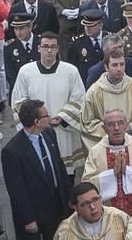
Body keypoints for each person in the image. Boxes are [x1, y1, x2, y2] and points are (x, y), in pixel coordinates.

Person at [1, 98, 71, 240]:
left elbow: (59, 167)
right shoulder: (12, 151)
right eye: (45, 115)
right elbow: (16, 190)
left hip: (54, 205)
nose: (49, 118)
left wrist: (68, 199)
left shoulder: (49, 135)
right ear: (35, 121)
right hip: (32, 211)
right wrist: (28, 219)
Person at [11, 31, 86, 177]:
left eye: (53, 46)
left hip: (63, 130)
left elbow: (79, 99)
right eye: (45, 46)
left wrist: (62, 117)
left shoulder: (71, 71)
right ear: (38, 48)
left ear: (58, 49)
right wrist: (37, 121)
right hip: (36, 130)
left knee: (66, 177)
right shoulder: (26, 72)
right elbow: (19, 101)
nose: (49, 50)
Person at [81, 48, 132, 152]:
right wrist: (110, 130)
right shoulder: (94, 91)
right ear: (106, 67)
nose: (119, 69)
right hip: (106, 146)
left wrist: (130, 127)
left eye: (122, 64)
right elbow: (87, 122)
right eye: (114, 65)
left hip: (131, 143)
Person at [82, 110, 132, 215]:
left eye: (120, 123)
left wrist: (128, 171)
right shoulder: (96, 151)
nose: (116, 128)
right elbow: (87, 185)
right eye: (111, 124)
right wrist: (112, 173)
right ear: (104, 128)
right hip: (108, 215)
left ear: (127, 126)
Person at [4, 13, 40, 99]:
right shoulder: (10, 47)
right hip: (20, 93)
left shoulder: (41, 43)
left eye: (21, 28)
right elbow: (10, 74)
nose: (18, 32)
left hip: (40, 89)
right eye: (16, 29)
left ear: (30, 26)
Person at [67, 8, 107, 86]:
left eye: (91, 25)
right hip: (86, 84)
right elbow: (72, 67)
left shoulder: (110, 39)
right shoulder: (77, 43)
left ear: (100, 25)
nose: (88, 28)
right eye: (86, 25)